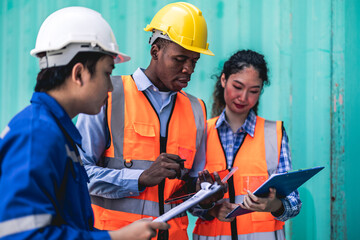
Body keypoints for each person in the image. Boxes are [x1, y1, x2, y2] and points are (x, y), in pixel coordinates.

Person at [0, 7, 168, 240]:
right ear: (79, 74)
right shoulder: (37, 134)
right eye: (107, 73)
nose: (110, 88)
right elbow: (22, 236)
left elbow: (70, 225)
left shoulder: (54, 133)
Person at [76, 2, 220, 240]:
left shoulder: (197, 109)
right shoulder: (108, 94)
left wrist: (204, 194)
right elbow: (78, 175)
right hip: (115, 235)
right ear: (155, 51)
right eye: (180, 59)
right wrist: (140, 178)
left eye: (194, 61)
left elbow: (188, 193)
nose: (188, 69)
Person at [193, 50, 302, 240]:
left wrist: (274, 206)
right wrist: (210, 209)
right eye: (237, 86)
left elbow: (294, 203)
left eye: (253, 91)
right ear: (224, 80)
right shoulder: (201, 133)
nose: (243, 97)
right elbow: (185, 201)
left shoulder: (273, 133)